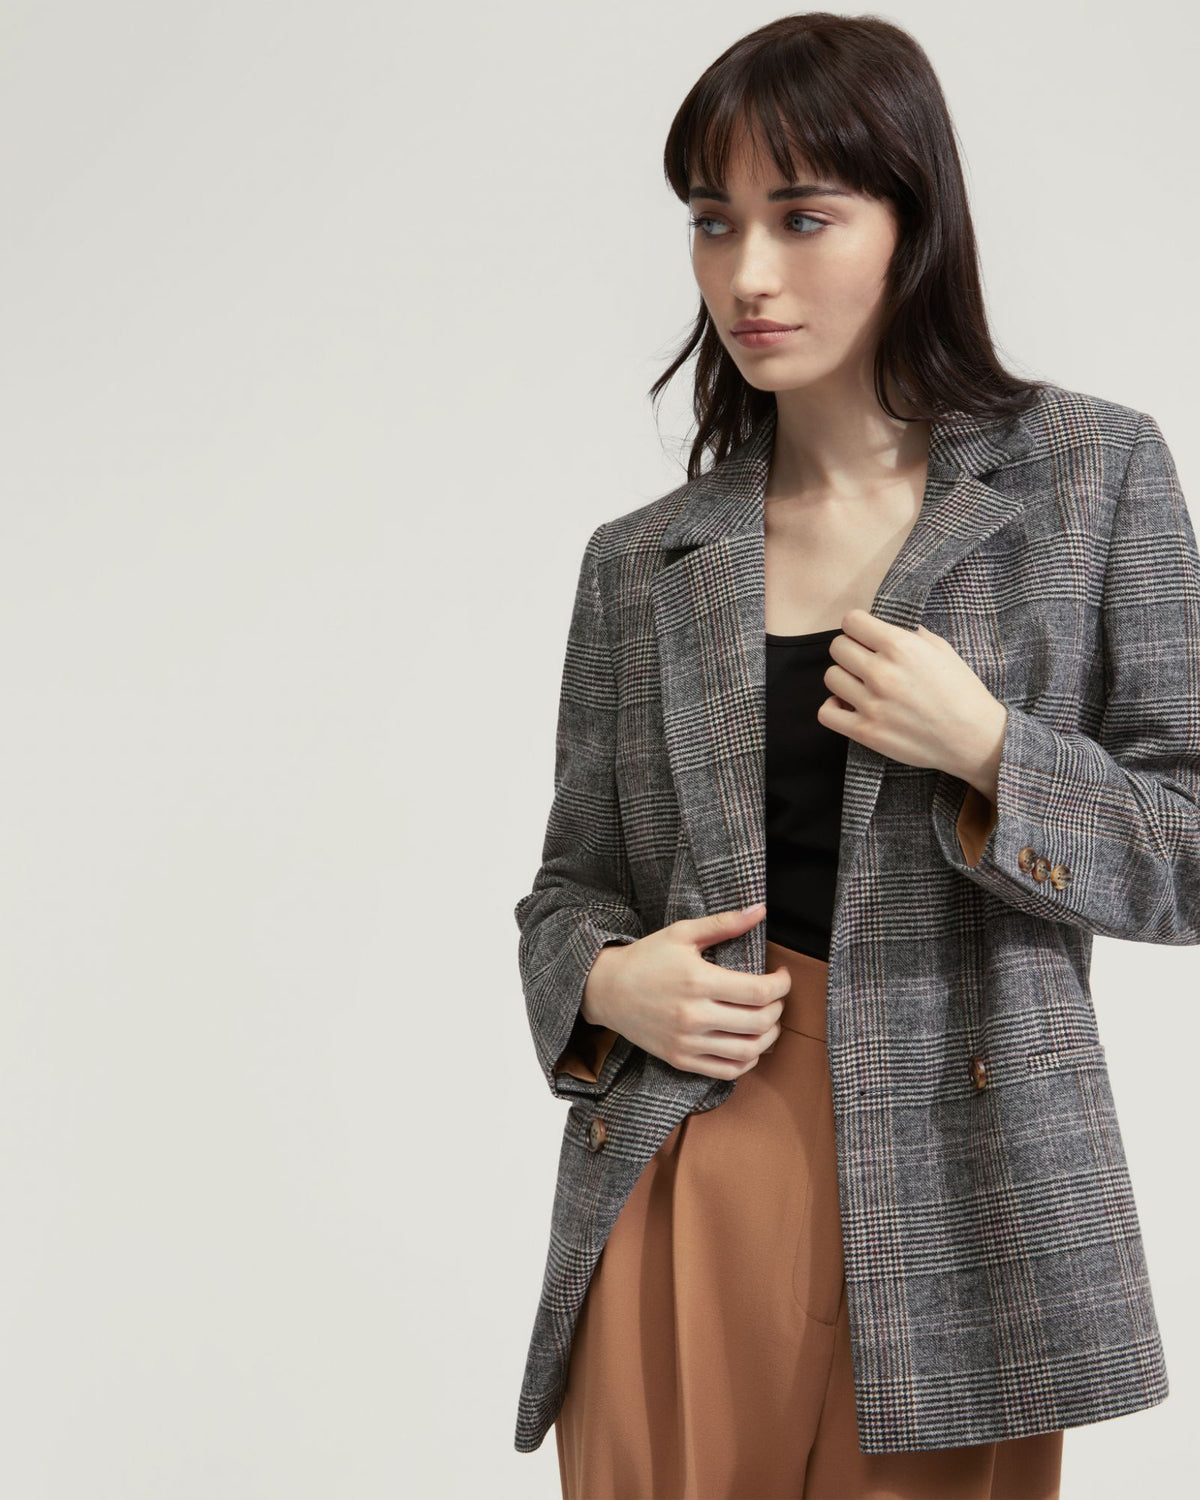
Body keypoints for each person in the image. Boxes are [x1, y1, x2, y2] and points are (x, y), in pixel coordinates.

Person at [513, 13, 1198, 1498]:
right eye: (715, 222)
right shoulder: (643, 560)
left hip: (968, 1181)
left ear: (912, 222)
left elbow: (1191, 847)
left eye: (803, 217)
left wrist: (994, 750)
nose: (747, 275)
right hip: (687, 1155)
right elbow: (569, 887)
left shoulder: (1089, 476)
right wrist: (608, 983)